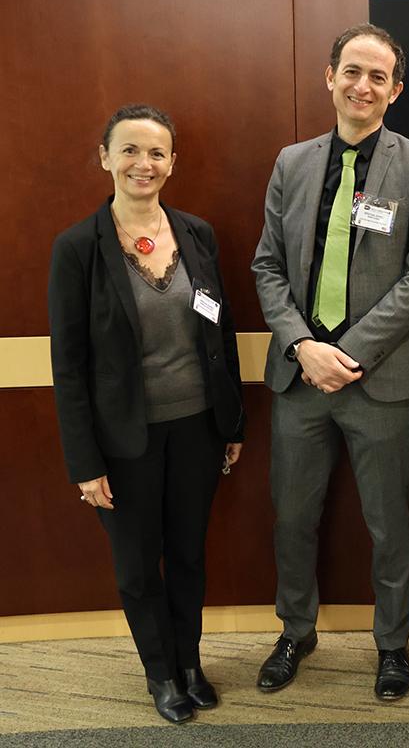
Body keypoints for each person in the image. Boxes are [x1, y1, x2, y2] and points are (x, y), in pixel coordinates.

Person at [250, 23, 409, 700]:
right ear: (329, 78)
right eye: (352, 72)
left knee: (388, 523)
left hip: (381, 381)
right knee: (292, 517)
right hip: (300, 379)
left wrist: (348, 353)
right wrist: (304, 347)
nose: (363, 86)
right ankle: (294, 629)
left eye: (378, 77)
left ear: (395, 90)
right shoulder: (292, 162)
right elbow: (267, 268)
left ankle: (393, 646)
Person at [47, 104, 244, 724]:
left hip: (197, 428)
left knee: (188, 554)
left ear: (172, 163)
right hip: (123, 441)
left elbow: (221, 331)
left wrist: (230, 423)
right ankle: (160, 675)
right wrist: (84, 463)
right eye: (129, 150)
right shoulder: (78, 248)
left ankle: (189, 662)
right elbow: (69, 366)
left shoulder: (197, 234)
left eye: (157, 153)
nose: (144, 163)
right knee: (137, 564)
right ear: (105, 158)